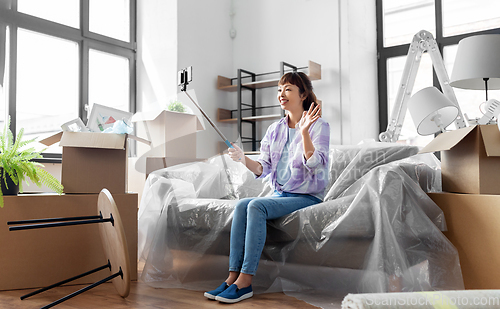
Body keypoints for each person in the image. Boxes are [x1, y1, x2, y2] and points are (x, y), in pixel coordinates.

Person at [204, 71, 330, 304]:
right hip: (281, 194)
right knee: (242, 205)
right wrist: (244, 159)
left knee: (257, 207)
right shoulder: (275, 129)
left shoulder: (319, 126)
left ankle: (245, 281)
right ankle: (232, 277)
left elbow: (316, 163)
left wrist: (303, 133)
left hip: (308, 196)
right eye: (279, 90)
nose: (282, 94)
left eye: (288, 89)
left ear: (303, 94)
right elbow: (264, 167)